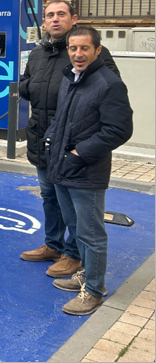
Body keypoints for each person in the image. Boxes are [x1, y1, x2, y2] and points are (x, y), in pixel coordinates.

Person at [19, 0, 119, 279]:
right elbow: (27, 84)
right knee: (50, 196)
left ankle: (73, 255)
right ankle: (53, 244)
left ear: (73, 19)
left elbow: (108, 90)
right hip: (43, 137)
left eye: (61, 14)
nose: (55, 19)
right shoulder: (38, 52)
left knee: (73, 205)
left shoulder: (87, 52)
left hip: (73, 141)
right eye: (49, 15)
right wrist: (33, 87)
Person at [45, 26, 133, 316]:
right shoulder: (71, 77)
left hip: (86, 172)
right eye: (73, 48)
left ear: (98, 50)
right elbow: (64, 118)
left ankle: (94, 290)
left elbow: (118, 129)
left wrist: (78, 153)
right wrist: (51, 139)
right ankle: (86, 274)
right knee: (76, 227)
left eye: (84, 48)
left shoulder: (109, 83)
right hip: (62, 167)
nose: (78, 54)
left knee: (91, 233)